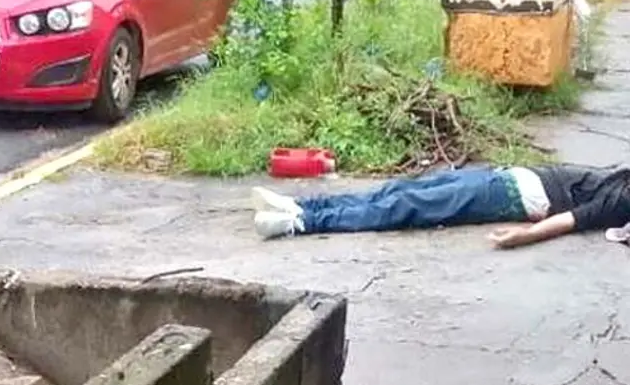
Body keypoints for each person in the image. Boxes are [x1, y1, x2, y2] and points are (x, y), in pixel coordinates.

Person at [250, 164, 630, 250]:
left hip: (520, 197)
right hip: (514, 175)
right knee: (404, 187)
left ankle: (299, 223)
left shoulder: (625, 200)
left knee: (408, 204)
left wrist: (523, 236)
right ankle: (303, 206)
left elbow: (574, 219)